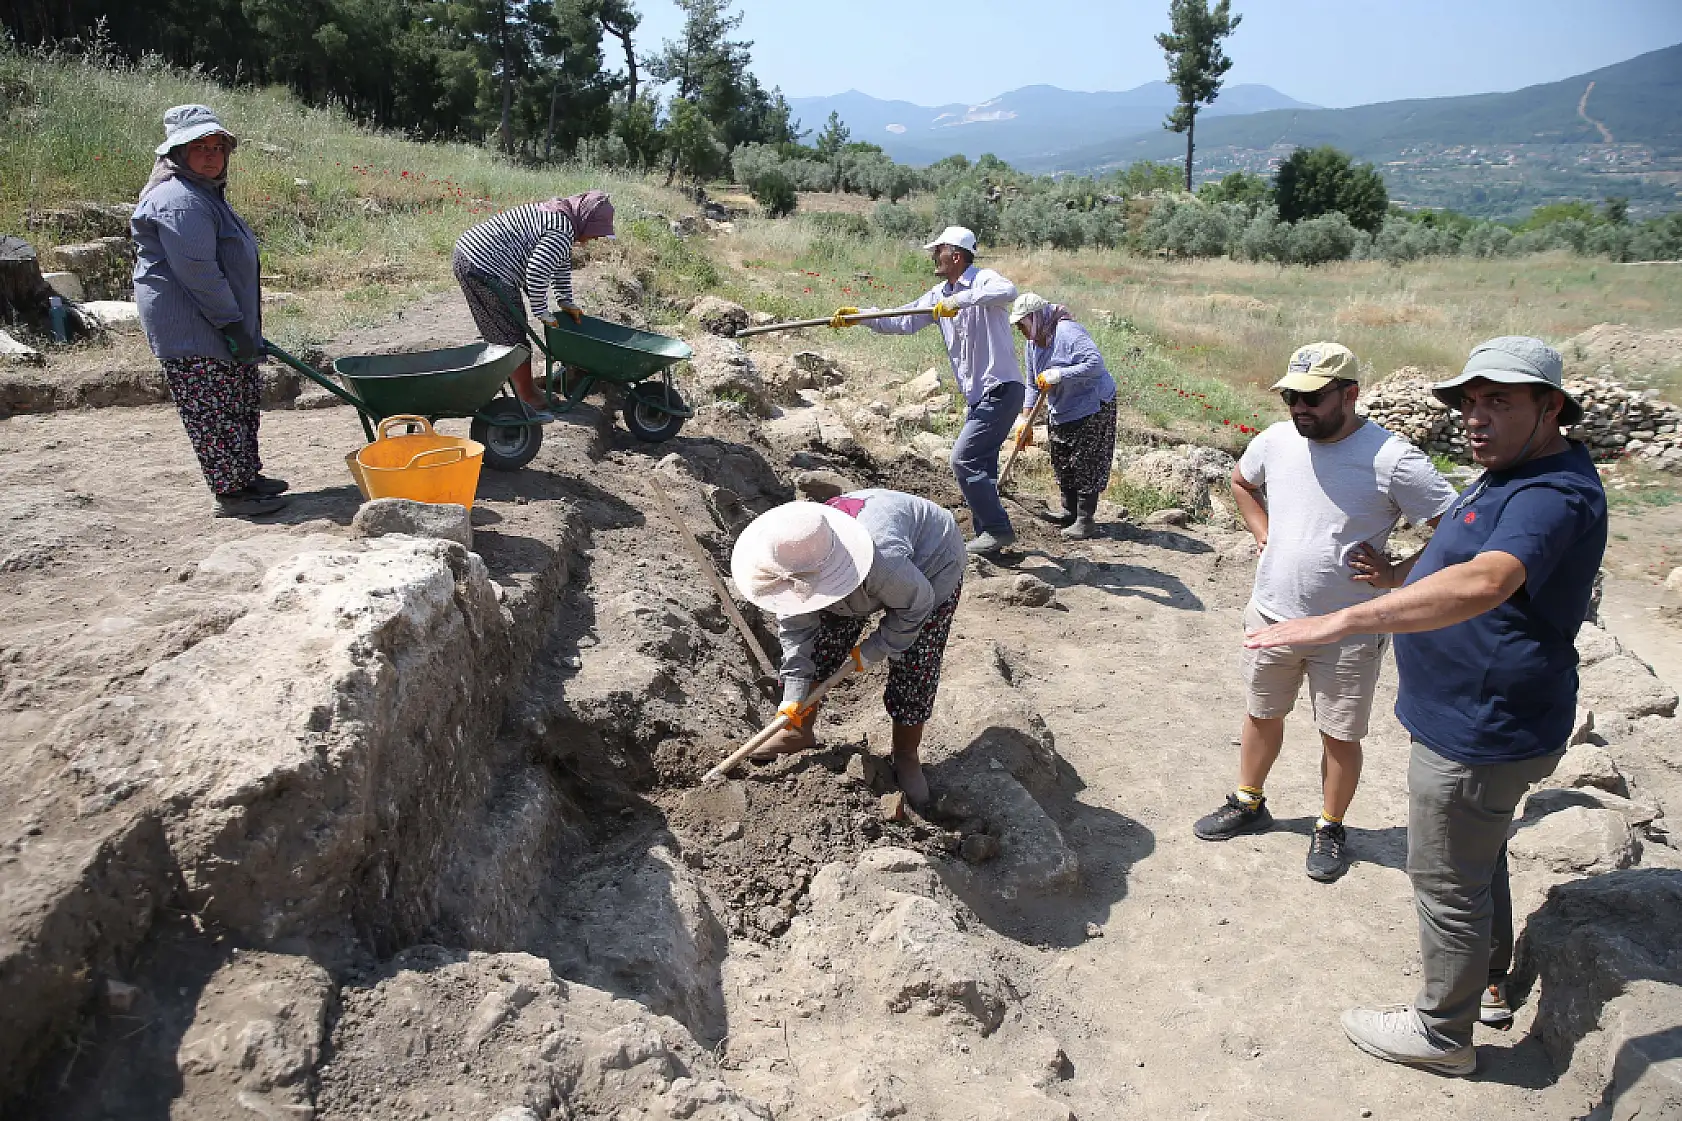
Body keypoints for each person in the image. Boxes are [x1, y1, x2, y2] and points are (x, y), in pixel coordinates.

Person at [1245, 337, 1607, 1075]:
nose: (1477, 417)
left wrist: (1345, 618)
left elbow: (1489, 580)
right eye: (1470, 401)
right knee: (1476, 857)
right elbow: (1456, 556)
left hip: (1482, 724)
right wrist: (1398, 575)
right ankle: (1492, 982)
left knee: (1444, 879)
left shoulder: (1550, 491)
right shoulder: (1503, 472)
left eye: (1499, 400)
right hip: (1469, 714)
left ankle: (1444, 1032)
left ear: (1552, 407)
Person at [1193, 342, 1456, 883]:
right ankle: (1248, 801)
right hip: (1271, 616)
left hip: (1349, 629)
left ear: (1350, 394)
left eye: (1312, 397)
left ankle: (1331, 826)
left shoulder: (1392, 459)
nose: (1299, 407)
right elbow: (1242, 482)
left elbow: (1455, 525)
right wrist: (1266, 535)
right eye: (1292, 396)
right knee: (1262, 713)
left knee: (1340, 734)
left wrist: (1396, 573)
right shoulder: (1277, 440)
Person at [730, 491, 966, 806]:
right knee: (821, 642)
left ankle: (906, 754)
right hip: (854, 569)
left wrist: (873, 649)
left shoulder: (883, 559)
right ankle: (798, 730)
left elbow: (916, 604)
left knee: (915, 659)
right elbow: (798, 636)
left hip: (930, 562)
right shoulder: (790, 560)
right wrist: (792, 700)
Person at [828, 227, 1024, 554]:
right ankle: (989, 540)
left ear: (957, 255)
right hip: (979, 396)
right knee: (983, 465)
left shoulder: (984, 281)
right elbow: (902, 320)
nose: (934, 256)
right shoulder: (937, 295)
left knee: (963, 459)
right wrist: (861, 317)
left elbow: (1009, 290)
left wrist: (959, 301)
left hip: (1000, 388)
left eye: (939, 251)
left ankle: (996, 529)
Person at [131, 104, 284, 518]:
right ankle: (231, 494)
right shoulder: (178, 200)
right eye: (199, 146)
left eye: (218, 146)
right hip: (194, 324)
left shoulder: (203, 193)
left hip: (220, 318)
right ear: (177, 153)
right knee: (213, 408)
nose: (211, 154)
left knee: (238, 399)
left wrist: (238, 322)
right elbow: (198, 271)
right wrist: (232, 322)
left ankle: (246, 477)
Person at [451, 190, 617, 418]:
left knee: (504, 329)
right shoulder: (561, 230)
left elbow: (559, 265)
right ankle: (525, 394)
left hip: (475, 258)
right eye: (596, 234)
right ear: (586, 220)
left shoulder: (563, 220)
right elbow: (537, 271)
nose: (595, 239)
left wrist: (565, 300)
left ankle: (517, 385)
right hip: (482, 265)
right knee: (510, 333)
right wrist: (541, 309)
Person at [1007, 293, 1118, 540]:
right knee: (1061, 458)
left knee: (1085, 461)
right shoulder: (1033, 342)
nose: (1019, 330)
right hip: (1063, 407)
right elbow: (1032, 383)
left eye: (1021, 324)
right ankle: (1068, 512)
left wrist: (1060, 374)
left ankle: (1085, 520)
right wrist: (1025, 420)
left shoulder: (1068, 333)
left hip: (1092, 405)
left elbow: (1095, 364)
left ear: (1035, 318)